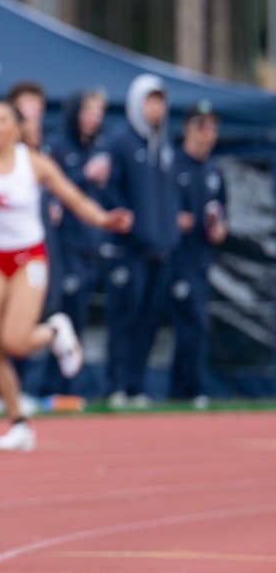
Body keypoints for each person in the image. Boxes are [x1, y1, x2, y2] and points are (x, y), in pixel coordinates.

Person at [0, 98, 131, 451]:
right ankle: (18, 421)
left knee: (14, 342)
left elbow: (74, 198)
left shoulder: (33, 164)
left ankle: (53, 330)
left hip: (28, 258)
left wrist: (103, 219)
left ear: (17, 128)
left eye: (2, 120)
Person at [101, 75, 179, 406]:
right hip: (129, 249)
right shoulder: (119, 141)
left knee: (149, 320)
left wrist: (170, 231)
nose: (156, 108)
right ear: (137, 103)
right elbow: (107, 187)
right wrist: (124, 218)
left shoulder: (165, 144)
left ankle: (136, 384)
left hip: (160, 249)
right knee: (125, 317)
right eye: (150, 100)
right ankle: (116, 384)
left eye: (160, 101)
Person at [45, 88, 112, 392]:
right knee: (61, 321)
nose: (93, 119)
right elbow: (57, 191)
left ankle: (69, 390)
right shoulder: (57, 146)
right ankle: (49, 388)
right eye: (88, 112)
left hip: (90, 248)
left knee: (80, 321)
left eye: (98, 113)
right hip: (65, 250)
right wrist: (85, 174)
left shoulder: (99, 146)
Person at [167, 102, 226, 403]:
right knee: (192, 323)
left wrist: (219, 228)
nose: (209, 134)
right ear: (188, 129)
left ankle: (184, 392)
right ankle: (187, 390)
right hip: (175, 261)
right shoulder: (174, 163)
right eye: (203, 126)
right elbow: (160, 206)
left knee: (197, 326)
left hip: (202, 261)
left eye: (213, 127)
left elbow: (221, 212)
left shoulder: (213, 169)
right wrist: (175, 220)